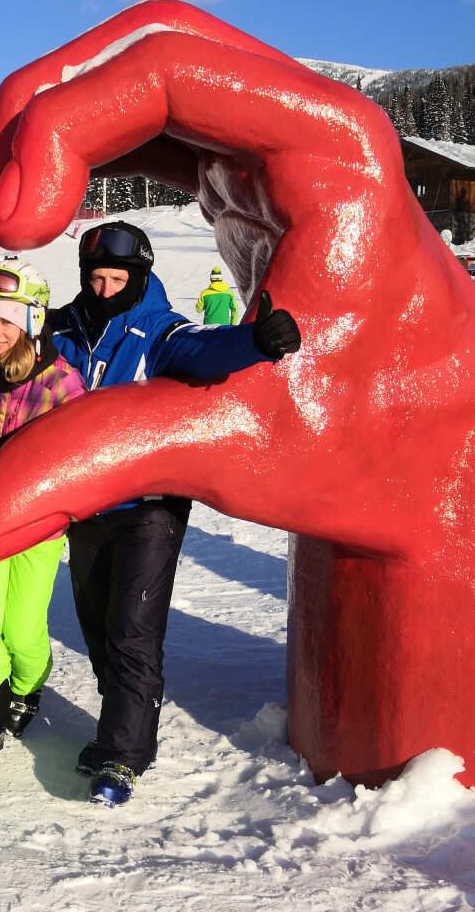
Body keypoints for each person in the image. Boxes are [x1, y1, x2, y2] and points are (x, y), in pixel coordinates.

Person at [48, 221, 301, 808]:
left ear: (138, 276)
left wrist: (256, 342)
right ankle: (121, 728)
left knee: (133, 628)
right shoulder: (63, 327)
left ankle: (124, 754)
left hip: (149, 506)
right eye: (97, 277)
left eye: (117, 278)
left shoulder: (158, 329)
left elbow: (204, 350)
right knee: (96, 625)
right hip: (85, 504)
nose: (105, 289)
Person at [0, 261, 86, 768]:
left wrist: (13, 461)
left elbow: (76, 453)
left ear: (32, 321)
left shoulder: (60, 382)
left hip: (38, 526)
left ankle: (28, 684)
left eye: (7, 320)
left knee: (22, 628)